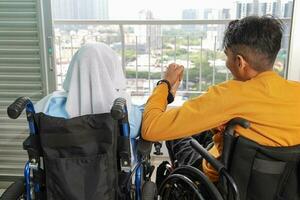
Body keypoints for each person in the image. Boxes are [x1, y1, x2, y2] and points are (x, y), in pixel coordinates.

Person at [142, 15, 300, 182]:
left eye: (227, 56)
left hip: (222, 179)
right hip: (278, 184)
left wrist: (164, 84)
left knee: (177, 137)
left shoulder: (230, 95)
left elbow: (151, 128)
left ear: (240, 62)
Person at [35, 43, 142, 139]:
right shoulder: (123, 107)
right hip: (113, 160)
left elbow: (36, 126)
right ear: (113, 68)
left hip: (60, 160)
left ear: (74, 67)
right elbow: (134, 132)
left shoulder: (49, 105)